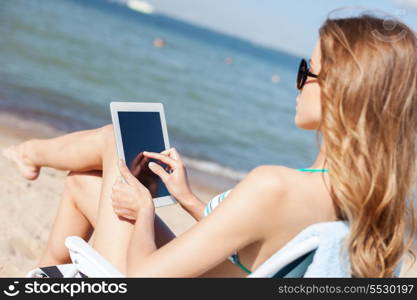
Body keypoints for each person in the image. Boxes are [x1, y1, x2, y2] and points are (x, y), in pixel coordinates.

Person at [3, 13, 417, 277]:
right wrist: (187, 199)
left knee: (116, 140)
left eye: (307, 71)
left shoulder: (275, 186)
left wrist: (146, 211)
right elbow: (261, 255)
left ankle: (31, 154)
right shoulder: (386, 212)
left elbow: (145, 279)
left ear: (340, 92)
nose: (300, 81)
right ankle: (40, 276)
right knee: (82, 185)